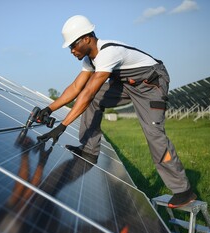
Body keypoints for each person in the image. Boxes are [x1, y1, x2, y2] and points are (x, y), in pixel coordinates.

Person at [37, 15, 196, 208]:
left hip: (151, 85)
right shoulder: (90, 59)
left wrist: (62, 126)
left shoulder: (108, 53)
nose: (71, 50)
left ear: (87, 39)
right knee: (95, 99)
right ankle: (89, 150)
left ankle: (183, 190)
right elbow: (76, 87)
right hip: (127, 85)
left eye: (73, 45)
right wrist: (49, 108)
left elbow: (87, 93)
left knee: (154, 134)